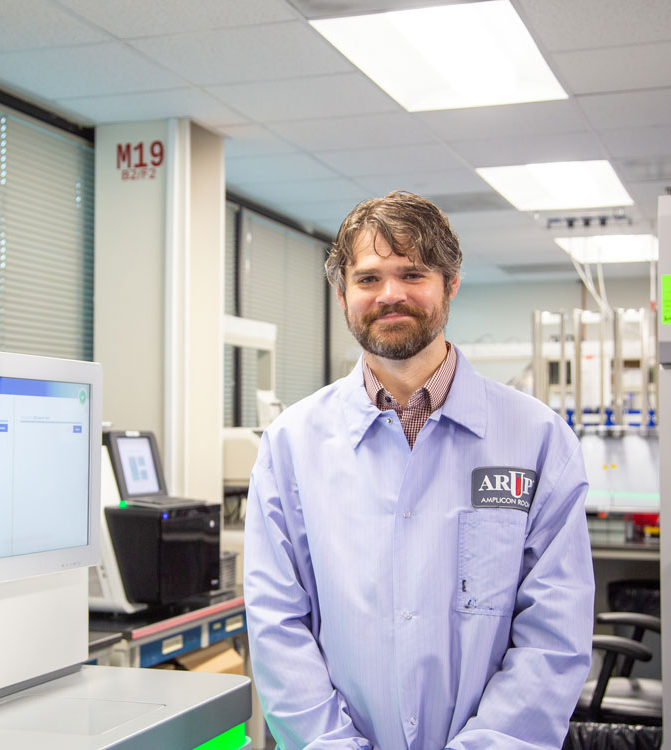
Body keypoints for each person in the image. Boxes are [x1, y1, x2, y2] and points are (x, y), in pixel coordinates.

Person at [243, 191, 594, 749]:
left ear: (450, 284)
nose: (390, 294)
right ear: (341, 295)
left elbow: (553, 638)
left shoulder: (538, 440)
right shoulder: (291, 445)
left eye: (413, 273)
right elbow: (277, 626)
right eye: (368, 278)